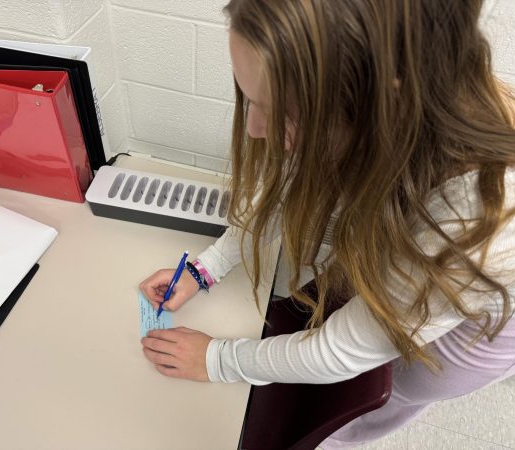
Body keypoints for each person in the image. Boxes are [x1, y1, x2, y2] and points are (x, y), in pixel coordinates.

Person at [139, 0, 515, 447]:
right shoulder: (381, 116)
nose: (256, 128)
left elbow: (341, 351)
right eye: (251, 101)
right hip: (409, 281)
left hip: (452, 351)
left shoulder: (481, 222)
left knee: (369, 400)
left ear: (381, 100)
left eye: (282, 114)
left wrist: (217, 359)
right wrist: (206, 270)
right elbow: (285, 193)